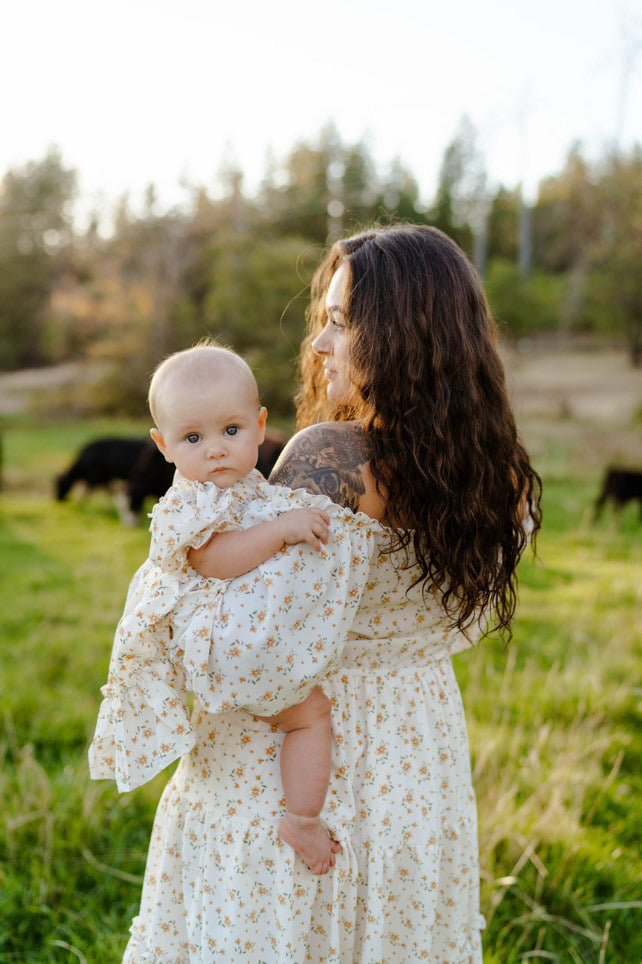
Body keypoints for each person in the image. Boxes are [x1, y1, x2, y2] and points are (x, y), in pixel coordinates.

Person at [91, 224, 541, 962]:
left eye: (339, 322)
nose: (319, 344)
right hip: (418, 752)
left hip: (295, 763)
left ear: (403, 336)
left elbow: (249, 646)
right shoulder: (495, 470)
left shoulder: (332, 457)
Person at [91, 343, 348, 874]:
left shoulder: (242, 489)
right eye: (193, 438)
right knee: (311, 716)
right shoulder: (187, 503)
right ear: (163, 446)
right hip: (228, 652)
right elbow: (214, 561)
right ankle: (303, 820)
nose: (215, 451)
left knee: (305, 714)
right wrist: (281, 530)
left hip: (235, 646)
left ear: (260, 425)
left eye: (231, 430)